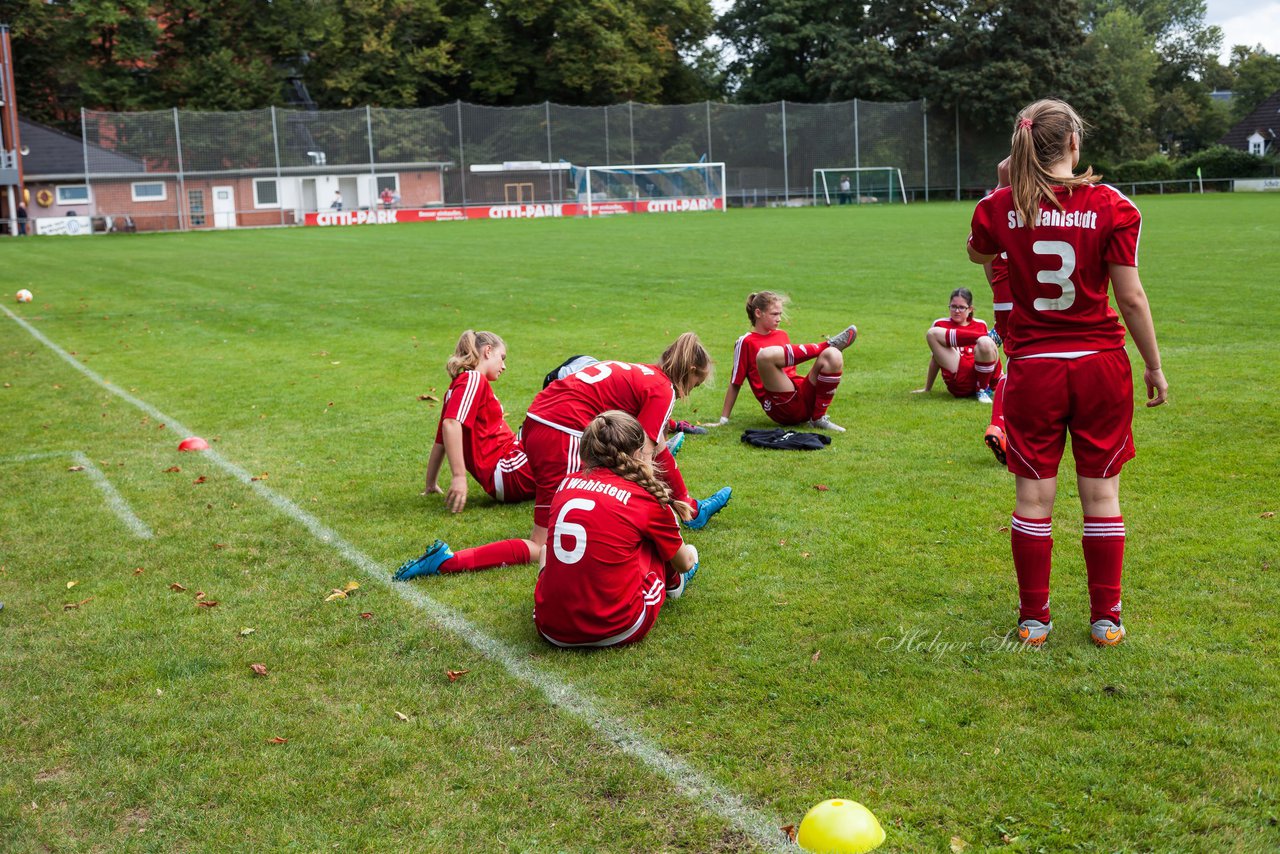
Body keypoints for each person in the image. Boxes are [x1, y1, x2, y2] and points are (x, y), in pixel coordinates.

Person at [967, 98, 1168, 647]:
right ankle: (1106, 618)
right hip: (1101, 366)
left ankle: (1035, 620)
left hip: (1034, 369)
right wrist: (1152, 364)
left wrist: (1002, 186)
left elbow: (976, 252)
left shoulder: (998, 206)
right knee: (1102, 498)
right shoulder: (1113, 205)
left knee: (1034, 501)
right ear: (1074, 144)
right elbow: (1130, 297)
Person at [394, 332, 730, 580]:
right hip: (562, 435)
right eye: (695, 384)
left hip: (539, 423)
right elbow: (645, 456)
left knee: (612, 476)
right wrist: (660, 508)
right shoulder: (662, 388)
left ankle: (691, 508)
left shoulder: (639, 371)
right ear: (687, 373)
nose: (690, 392)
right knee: (541, 545)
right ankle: (448, 561)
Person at [533, 411, 702, 648]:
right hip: (617, 627)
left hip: (549, 626)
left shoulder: (566, 482)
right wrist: (691, 555)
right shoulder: (645, 497)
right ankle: (674, 584)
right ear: (637, 452)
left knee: (545, 552)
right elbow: (684, 563)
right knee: (656, 545)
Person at [422, 330, 536, 515]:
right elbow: (450, 425)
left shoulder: (457, 387)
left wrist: (431, 484)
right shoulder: (473, 379)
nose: (504, 366)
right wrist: (459, 477)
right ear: (488, 351)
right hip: (509, 469)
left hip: (509, 468)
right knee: (561, 429)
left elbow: (441, 441)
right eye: (502, 357)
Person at [712, 291, 857, 433]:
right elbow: (735, 383)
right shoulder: (745, 342)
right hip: (781, 406)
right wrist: (723, 419)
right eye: (774, 314)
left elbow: (789, 371)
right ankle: (825, 345)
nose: (779, 318)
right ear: (758, 313)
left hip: (802, 398)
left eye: (780, 314)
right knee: (765, 355)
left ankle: (818, 418)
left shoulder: (782, 334)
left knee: (834, 354)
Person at [911, 287, 1002, 403]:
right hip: (960, 378)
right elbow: (936, 359)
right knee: (932, 333)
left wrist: (1002, 382)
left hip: (983, 375)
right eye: (953, 306)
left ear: (970, 309)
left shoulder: (980, 324)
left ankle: (982, 390)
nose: (957, 311)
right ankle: (986, 336)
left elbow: (991, 353)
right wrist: (927, 388)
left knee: (986, 342)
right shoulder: (940, 324)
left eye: (961, 307)